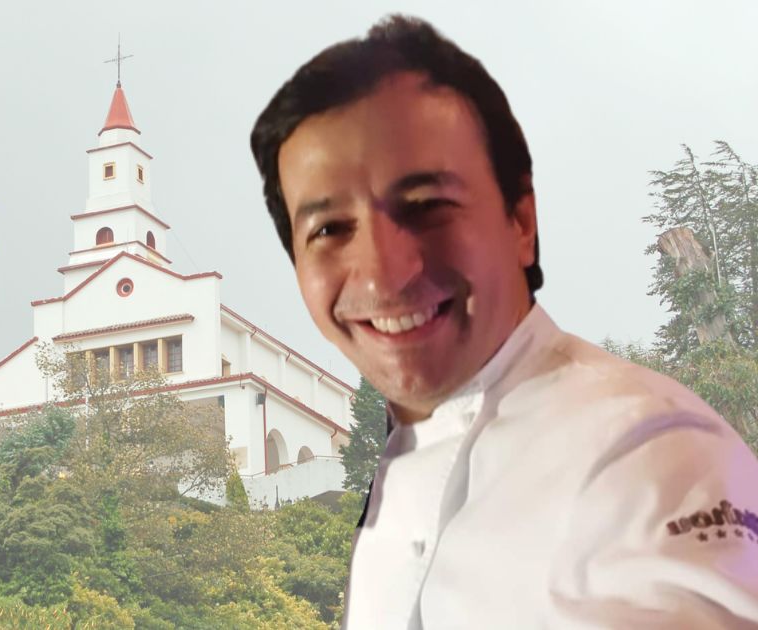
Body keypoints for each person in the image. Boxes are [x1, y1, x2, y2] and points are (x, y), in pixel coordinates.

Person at [250, 14, 758, 629]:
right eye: (330, 229)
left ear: (521, 221)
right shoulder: (396, 490)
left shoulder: (648, 453)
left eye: (426, 207)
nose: (383, 275)